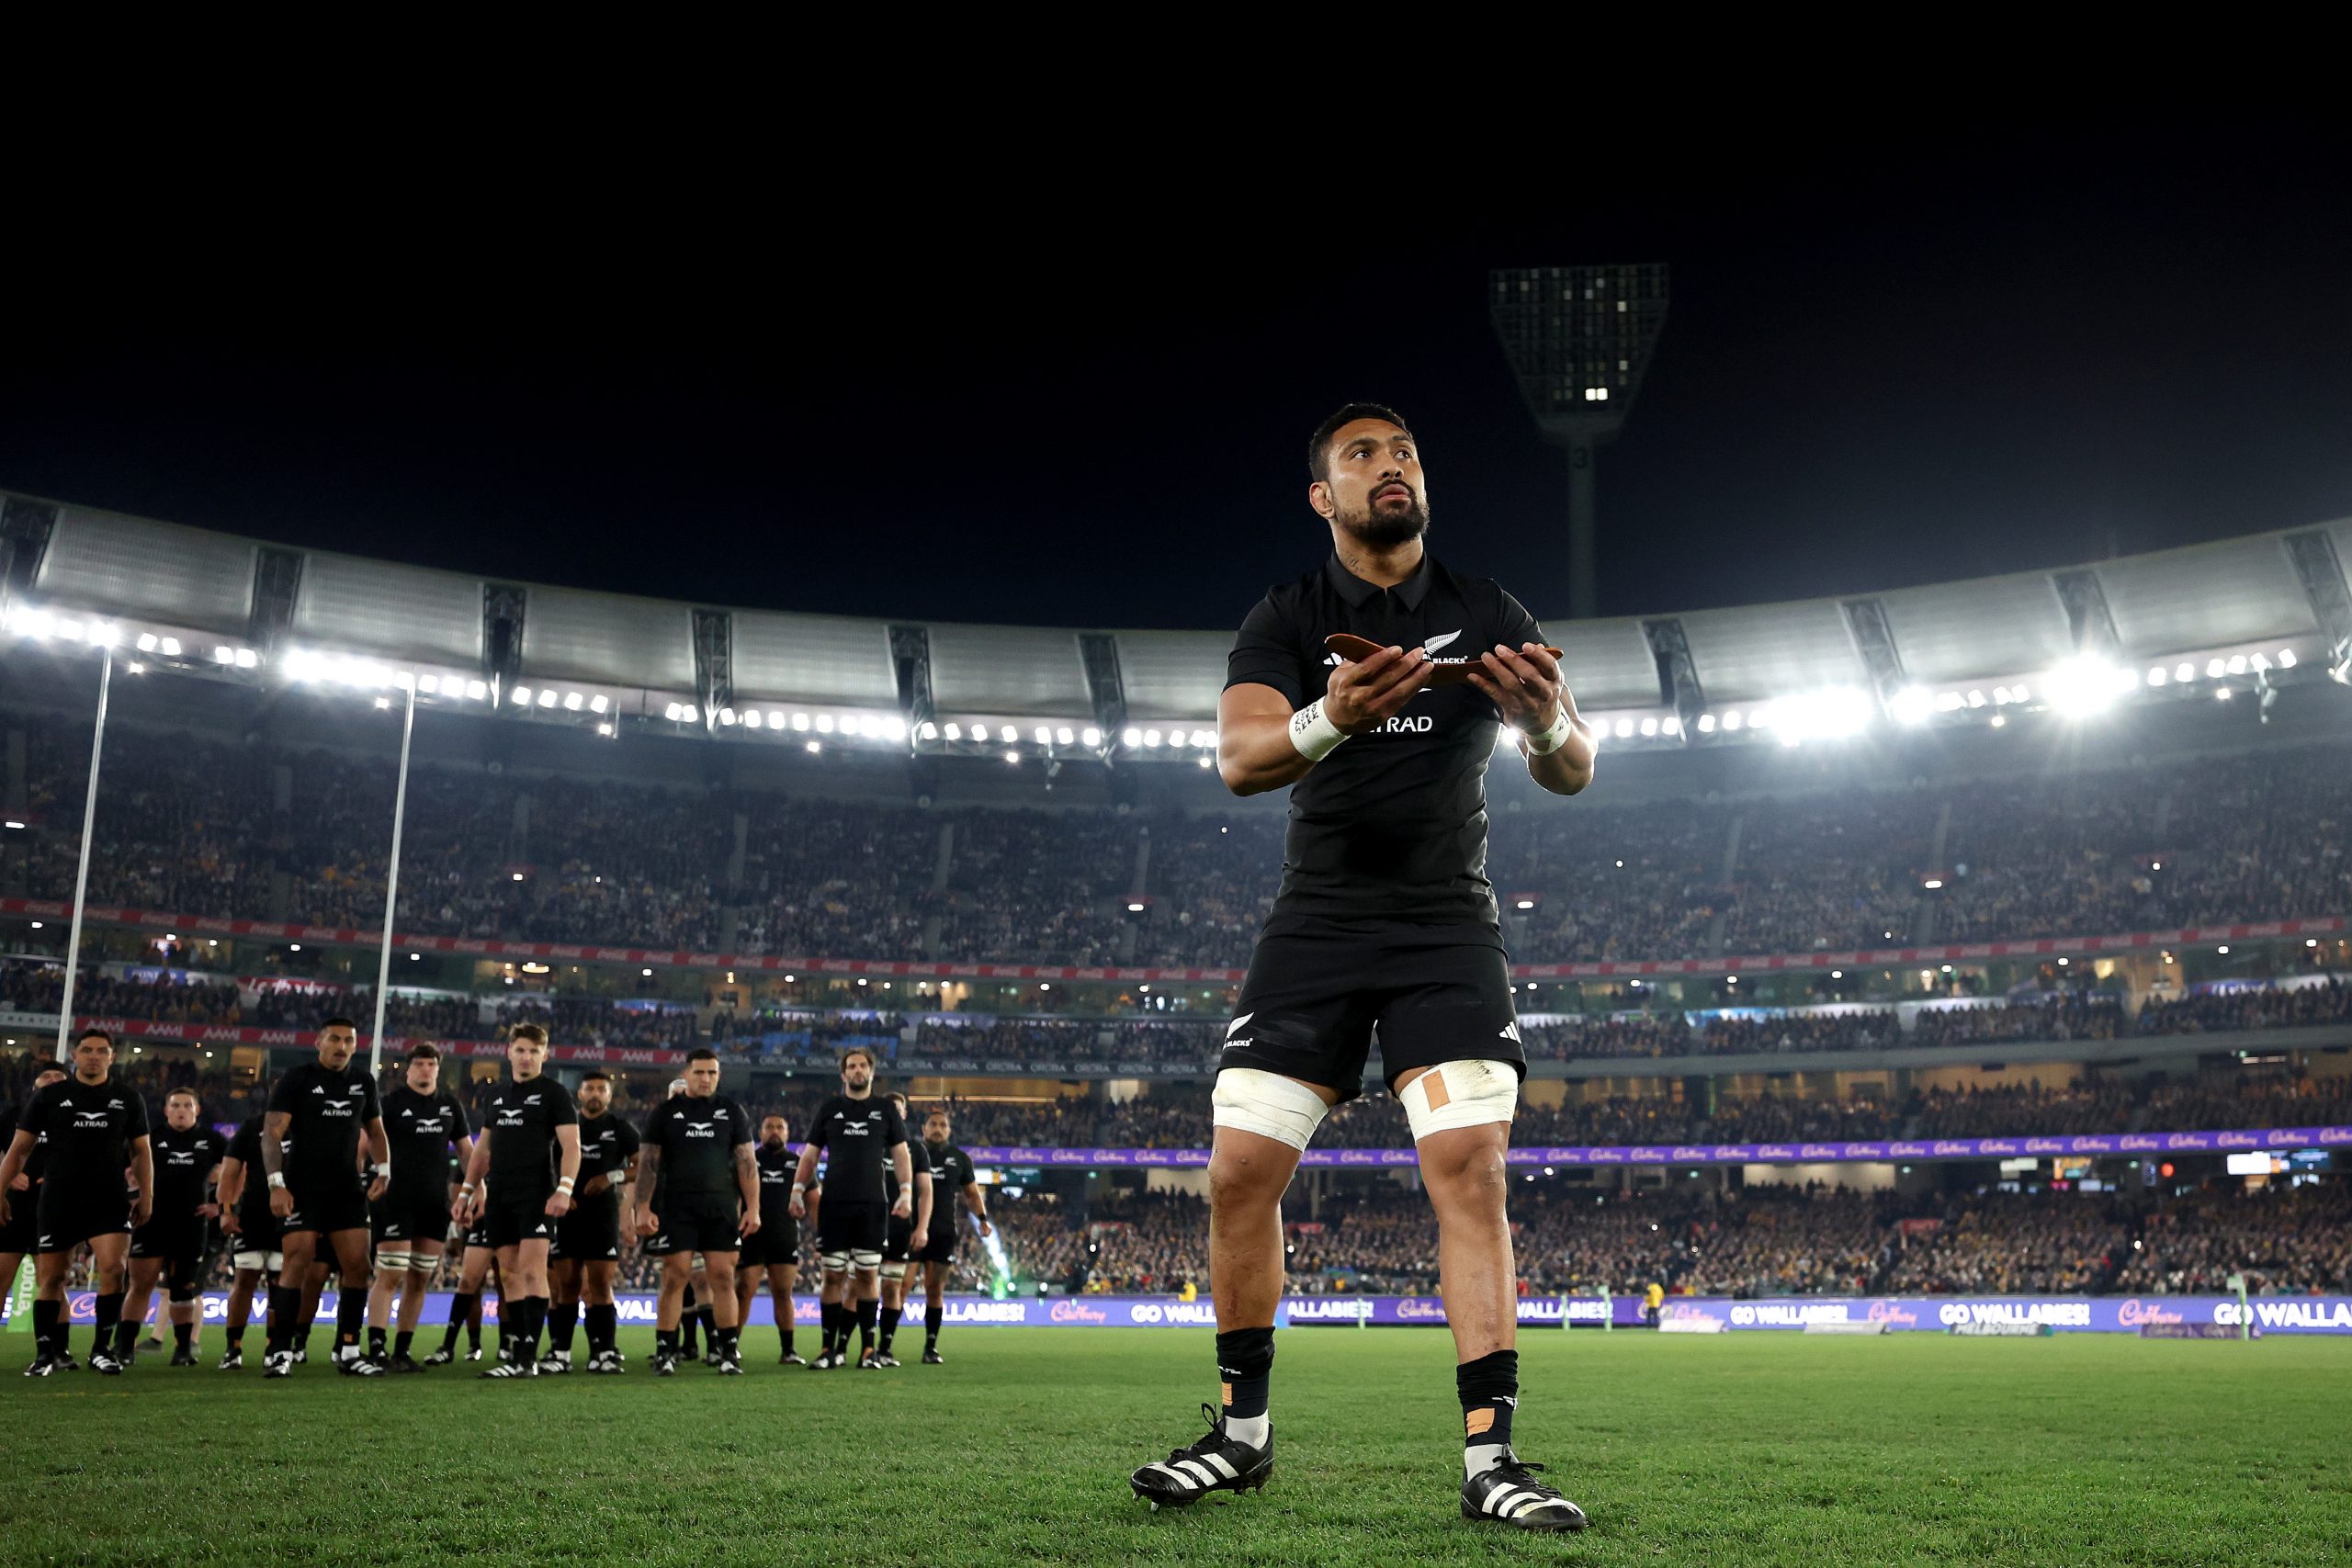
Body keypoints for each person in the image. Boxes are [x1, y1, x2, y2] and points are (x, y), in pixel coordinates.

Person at [1128, 404, 1595, 1531]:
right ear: (1322, 496)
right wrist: (1328, 716)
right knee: (1239, 1172)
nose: (1393, 467)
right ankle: (1241, 1436)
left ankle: (1492, 1458)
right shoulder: (1287, 615)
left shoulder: (1487, 609)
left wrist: (1541, 725)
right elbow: (1241, 759)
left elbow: (1573, 764)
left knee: (1471, 1166)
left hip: (1445, 925)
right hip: (1319, 925)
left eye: (1407, 454)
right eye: (1363, 455)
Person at [1, 1031, 152, 1375]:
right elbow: (19, 1149)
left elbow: (141, 1152)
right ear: (75, 1055)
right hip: (59, 1198)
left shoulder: (128, 1098)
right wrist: (0, 1190)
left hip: (108, 1198)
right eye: (87, 1050)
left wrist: (148, 1194)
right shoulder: (49, 1097)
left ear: (112, 1057)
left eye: (101, 1051)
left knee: (114, 1269)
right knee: (52, 1278)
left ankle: (101, 1350)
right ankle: (44, 1354)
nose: (94, 1056)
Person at [260, 1017, 390, 1377]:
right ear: (319, 1042)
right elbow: (271, 1134)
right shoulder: (297, 1078)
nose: (342, 1046)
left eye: (349, 1040)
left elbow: (376, 1131)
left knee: (358, 1266)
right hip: (302, 1187)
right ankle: (280, 1350)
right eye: (335, 1039)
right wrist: (276, 1183)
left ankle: (349, 1350)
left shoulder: (364, 1082)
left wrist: (384, 1169)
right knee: (297, 1262)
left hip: (346, 1188)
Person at [452, 1022, 580, 1378]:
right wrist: (466, 1191)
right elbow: (482, 1151)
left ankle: (527, 1358)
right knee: (508, 1274)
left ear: (545, 1055)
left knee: (532, 1270)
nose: (526, 1057)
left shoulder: (555, 1094)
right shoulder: (497, 1095)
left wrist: (565, 1188)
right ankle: (517, 1355)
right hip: (500, 1195)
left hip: (536, 1194)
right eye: (521, 1050)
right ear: (509, 1052)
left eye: (534, 1051)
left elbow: (572, 1146)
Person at [634, 1048, 756, 1376]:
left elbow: (747, 1163)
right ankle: (665, 1352)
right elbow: (648, 1164)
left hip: (720, 1206)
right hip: (677, 1206)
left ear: (719, 1076)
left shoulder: (732, 1112)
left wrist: (754, 1208)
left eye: (712, 1073)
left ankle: (728, 1352)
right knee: (675, 1277)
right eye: (699, 1072)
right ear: (686, 1074)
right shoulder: (664, 1113)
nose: (706, 1078)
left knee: (723, 1277)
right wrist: (642, 1207)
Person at [790, 1047, 910, 1370]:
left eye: (863, 1066)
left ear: (872, 1072)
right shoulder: (830, 1108)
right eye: (852, 1066)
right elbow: (810, 1155)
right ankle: (827, 1350)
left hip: (872, 1204)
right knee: (832, 1276)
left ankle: (868, 1351)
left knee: (868, 1275)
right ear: (843, 1074)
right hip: (834, 1203)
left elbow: (901, 1154)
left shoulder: (885, 1109)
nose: (858, 1071)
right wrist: (797, 1190)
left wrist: (906, 1192)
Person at [367, 1043, 472, 1372]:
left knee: (419, 1278)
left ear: (438, 1069)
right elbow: (367, 1141)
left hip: (434, 1203)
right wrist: (370, 1175)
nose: (426, 1069)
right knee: (390, 1274)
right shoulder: (391, 1103)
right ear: (408, 1069)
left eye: (431, 1064)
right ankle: (376, 1348)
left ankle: (402, 1351)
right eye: (420, 1064)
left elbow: (466, 1151)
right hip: (396, 1200)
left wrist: (476, 1187)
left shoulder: (450, 1105)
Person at [120, 1089, 225, 1366]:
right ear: (166, 1110)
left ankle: (183, 1350)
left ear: (197, 1110)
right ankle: (125, 1348)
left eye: (187, 1105)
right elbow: (123, 1169)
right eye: (176, 1105)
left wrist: (221, 1205)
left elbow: (239, 1170)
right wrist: (133, 1195)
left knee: (184, 1290)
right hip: (151, 1222)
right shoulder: (150, 1137)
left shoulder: (213, 1140)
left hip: (191, 1226)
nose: (181, 1110)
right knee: (140, 1285)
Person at [548, 1068, 637, 1374]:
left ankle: (604, 1352)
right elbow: (545, 1162)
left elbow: (644, 1165)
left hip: (602, 1216)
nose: (595, 1094)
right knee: (567, 1285)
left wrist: (610, 1177)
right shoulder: (564, 1126)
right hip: (567, 1214)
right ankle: (560, 1353)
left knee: (600, 1284)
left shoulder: (620, 1128)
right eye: (590, 1089)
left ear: (610, 1095)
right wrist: (560, 1190)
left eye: (601, 1089)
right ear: (580, 1093)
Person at [911, 1106, 989, 1364]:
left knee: (935, 1290)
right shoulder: (910, 1153)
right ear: (923, 1129)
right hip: (909, 1229)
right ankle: (884, 1347)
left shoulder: (959, 1159)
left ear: (949, 1130)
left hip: (943, 1232)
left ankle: (930, 1347)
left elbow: (972, 1194)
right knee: (899, 1287)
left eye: (943, 1125)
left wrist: (983, 1219)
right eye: (933, 1124)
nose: (938, 1129)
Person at [0, 1065, 68, 1360]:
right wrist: (6, 1175)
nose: (52, 1081)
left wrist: (59, 1178)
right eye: (46, 1077)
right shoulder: (14, 1115)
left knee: (52, 1281)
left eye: (58, 1078)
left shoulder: (75, 1118)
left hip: (53, 1209)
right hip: (13, 1209)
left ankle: (60, 1350)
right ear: (34, 1084)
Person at [215, 1100, 286, 1371]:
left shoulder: (306, 1125)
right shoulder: (252, 1127)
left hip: (289, 1217)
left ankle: (274, 1348)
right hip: (252, 1216)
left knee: (280, 1284)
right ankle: (233, 1348)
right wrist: (226, 1211)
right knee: (244, 1279)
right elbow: (229, 1171)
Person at [869, 1091, 933, 1368]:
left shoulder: (916, 1150)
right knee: (860, 1286)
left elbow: (925, 1192)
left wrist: (922, 1227)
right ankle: (853, 1348)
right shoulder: (868, 1142)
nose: (894, 1113)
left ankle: (885, 1348)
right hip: (867, 1224)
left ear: (905, 1114)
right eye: (890, 1108)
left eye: (899, 1109)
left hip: (898, 1228)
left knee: (892, 1288)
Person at [736, 1112, 806, 1364]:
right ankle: (730, 1347)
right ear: (760, 1132)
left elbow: (813, 1198)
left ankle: (788, 1350)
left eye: (780, 1127)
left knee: (784, 1292)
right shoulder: (748, 1161)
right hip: (751, 1235)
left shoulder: (797, 1163)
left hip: (784, 1236)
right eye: (769, 1127)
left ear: (787, 1133)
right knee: (744, 1290)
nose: (775, 1131)